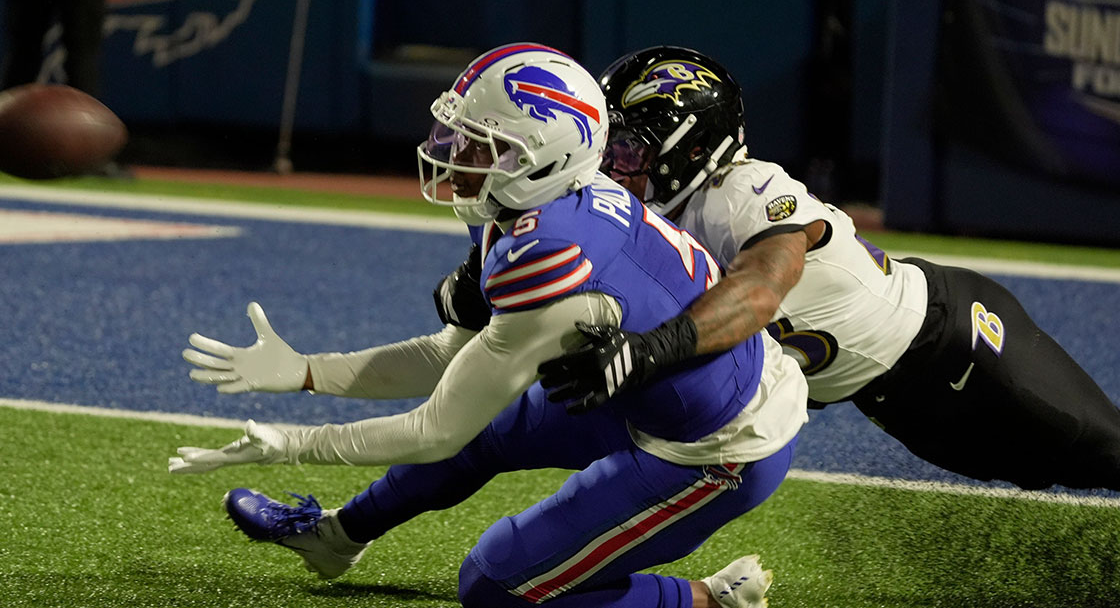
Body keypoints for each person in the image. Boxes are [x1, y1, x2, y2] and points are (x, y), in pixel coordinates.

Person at [171, 43, 809, 608]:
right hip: (642, 382)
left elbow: (433, 431)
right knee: (489, 429)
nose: (454, 153)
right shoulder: (540, 200)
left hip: (718, 443)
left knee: (494, 586)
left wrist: (291, 443)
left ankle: (710, 600)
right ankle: (335, 538)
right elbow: (456, 355)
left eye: (482, 144)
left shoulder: (557, 256)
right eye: (459, 133)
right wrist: (308, 372)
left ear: (543, 159)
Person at [536, 45, 1120, 492]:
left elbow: (761, 292)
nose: (611, 167)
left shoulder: (741, 190)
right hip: (890, 399)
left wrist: (646, 353)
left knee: (1105, 451)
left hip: (954, 339)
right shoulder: (642, 218)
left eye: (629, 151)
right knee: (1055, 476)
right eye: (608, 147)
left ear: (690, 149)